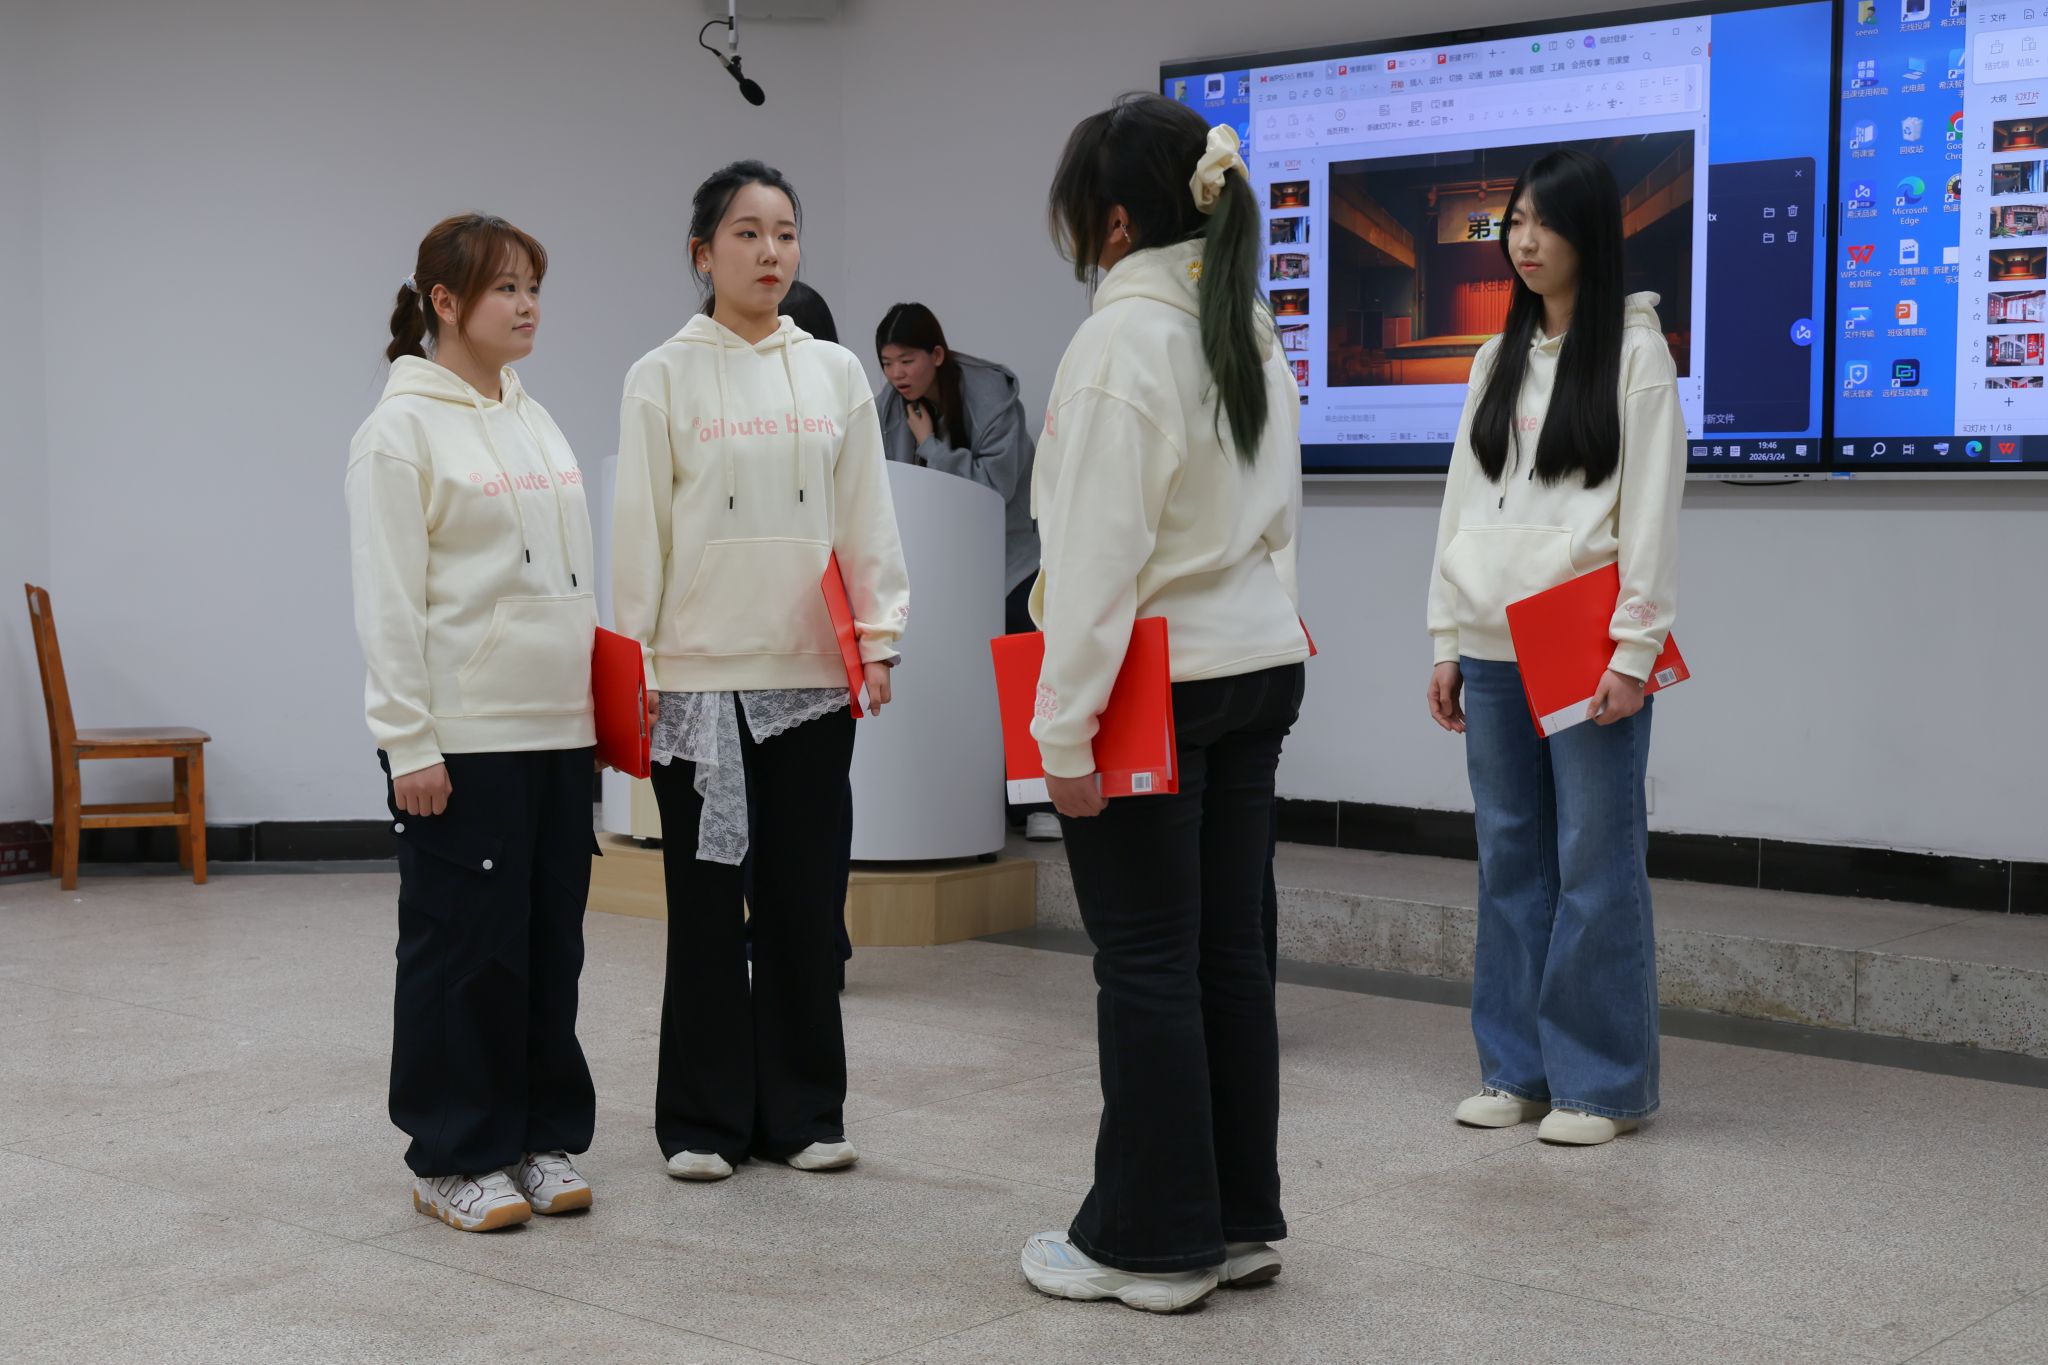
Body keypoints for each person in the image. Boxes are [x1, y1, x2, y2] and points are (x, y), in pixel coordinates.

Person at [1018, 94, 1311, 1314]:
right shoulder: (1242, 324)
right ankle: (1233, 1223)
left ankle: (1152, 1243)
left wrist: (1058, 735)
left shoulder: (1119, 344)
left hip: (1155, 684)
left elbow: (1093, 564)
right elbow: (1277, 517)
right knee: (1227, 956)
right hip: (1254, 665)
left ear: (1115, 220)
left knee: (1142, 962)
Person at [613, 160, 910, 1183]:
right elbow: (639, 531)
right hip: (695, 679)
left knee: (801, 899)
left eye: (784, 232)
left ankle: (803, 1112)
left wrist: (879, 632)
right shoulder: (659, 375)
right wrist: (636, 661)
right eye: (746, 233)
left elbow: (866, 510)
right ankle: (700, 1120)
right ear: (703, 253)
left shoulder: (833, 372)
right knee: (703, 907)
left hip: (810, 677)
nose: (769, 251)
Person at [1425, 147, 1686, 1148]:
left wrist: (1633, 650)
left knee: (1594, 862)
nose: (1523, 242)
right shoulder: (1492, 360)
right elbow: (1459, 504)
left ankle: (1600, 1084)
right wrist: (1445, 636)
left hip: (1583, 637)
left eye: (1545, 223)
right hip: (1490, 639)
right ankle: (1516, 1070)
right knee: (1509, 859)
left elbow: (1650, 513)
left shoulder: (1633, 354)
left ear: (1590, 235)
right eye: (1515, 222)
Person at [345, 213, 600, 1233]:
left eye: (534, 285)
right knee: (463, 951)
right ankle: (452, 1155)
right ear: (445, 303)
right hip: (464, 735)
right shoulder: (398, 432)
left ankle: (536, 1136)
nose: (528, 305)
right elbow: (387, 602)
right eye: (505, 288)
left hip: (558, 729)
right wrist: (409, 740)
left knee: (546, 947)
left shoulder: (534, 417)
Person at [872, 303, 1052, 838]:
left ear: (937, 354)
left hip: (1010, 560)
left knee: (1021, 680)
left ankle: (1037, 805)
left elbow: (995, 490)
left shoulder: (992, 398)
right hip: (941, 564)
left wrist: (931, 446)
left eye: (907, 360)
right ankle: (962, 803)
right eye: (886, 363)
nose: (897, 374)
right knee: (954, 683)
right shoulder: (890, 405)